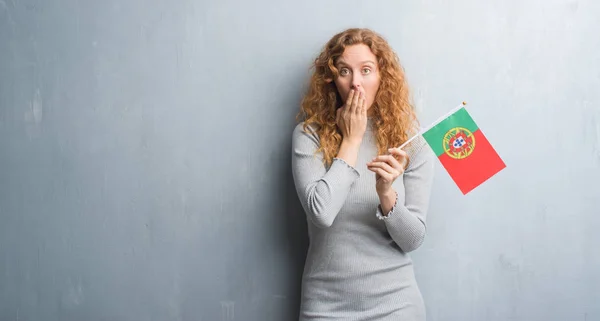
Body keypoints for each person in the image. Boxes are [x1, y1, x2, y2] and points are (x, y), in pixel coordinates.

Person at [291, 28, 435, 320]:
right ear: (332, 80)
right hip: (325, 306)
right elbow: (321, 212)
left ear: (383, 76)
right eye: (345, 71)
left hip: (396, 306)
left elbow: (413, 239)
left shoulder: (411, 142)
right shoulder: (309, 135)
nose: (356, 83)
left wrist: (386, 193)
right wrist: (352, 140)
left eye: (366, 70)